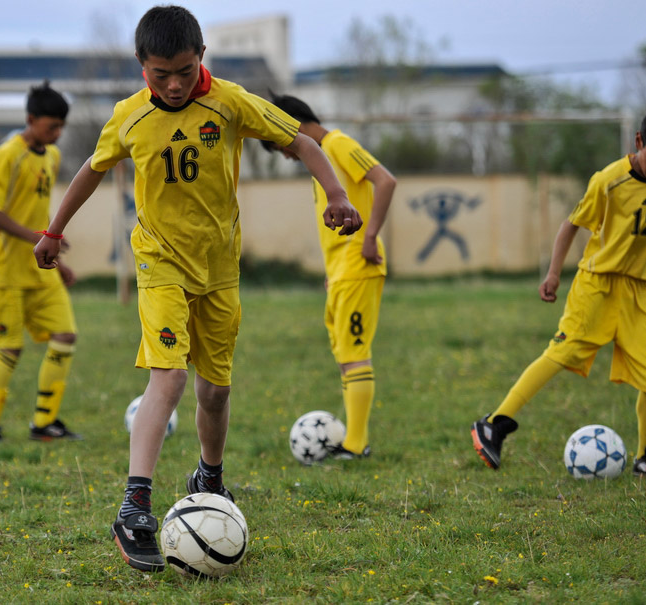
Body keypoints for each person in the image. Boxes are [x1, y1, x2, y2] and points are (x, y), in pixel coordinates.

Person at [34, 5, 362, 573]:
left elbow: (305, 144)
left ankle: (209, 477)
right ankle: (134, 506)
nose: (174, 84)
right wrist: (54, 230)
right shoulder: (129, 117)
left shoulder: (231, 101)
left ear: (202, 57)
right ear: (142, 66)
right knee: (170, 376)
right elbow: (92, 168)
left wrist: (336, 194)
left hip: (220, 270)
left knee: (215, 391)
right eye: (160, 74)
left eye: (184, 71)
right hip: (159, 261)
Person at [471, 105, 646, 477]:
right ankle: (494, 424)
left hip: (641, 291)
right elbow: (571, 225)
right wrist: (553, 273)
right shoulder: (608, 181)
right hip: (597, 285)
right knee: (563, 350)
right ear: (639, 141)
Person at [262, 93, 397, 460]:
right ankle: (352, 440)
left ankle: (355, 445)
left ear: (292, 124)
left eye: (280, 143)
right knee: (344, 356)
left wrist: (370, 236)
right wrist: (331, 273)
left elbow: (385, 181)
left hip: (358, 265)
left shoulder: (337, 144)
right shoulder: (320, 161)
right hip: (340, 272)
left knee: (355, 353)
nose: (286, 154)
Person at [0, 81, 81, 444]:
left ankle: (44, 423)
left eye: (61, 127)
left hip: (40, 268)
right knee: (10, 348)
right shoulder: (5, 156)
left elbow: (39, 212)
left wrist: (54, 256)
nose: (57, 133)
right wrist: (39, 238)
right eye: (51, 126)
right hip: (5, 269)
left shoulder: (51, 157)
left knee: (65, 335)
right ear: (30, 119)